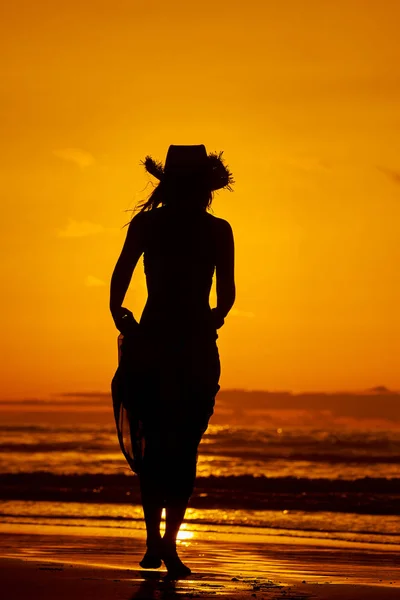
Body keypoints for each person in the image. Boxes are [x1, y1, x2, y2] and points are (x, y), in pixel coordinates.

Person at [110, 144, 235, 578]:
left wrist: (117, 310)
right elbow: (228, 296)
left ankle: (157, 541)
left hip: (157, 339)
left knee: (158, 446)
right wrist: (212, 319)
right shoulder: (216, 230)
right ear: (204, 188)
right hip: (188, 343)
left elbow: (121, 274)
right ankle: (163, 543)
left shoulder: (152, 224)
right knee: (181, 447)